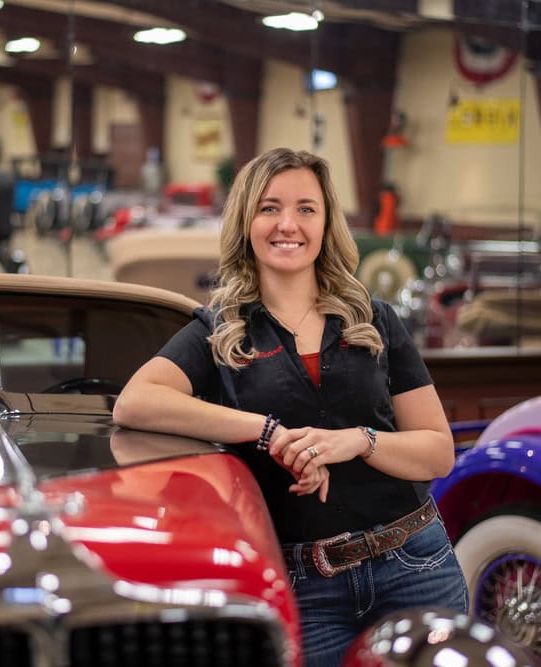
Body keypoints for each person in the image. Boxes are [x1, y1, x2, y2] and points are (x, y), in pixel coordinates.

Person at [113, 147, 468, 666]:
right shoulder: (219, 331)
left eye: (306, 208)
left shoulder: (375, 319)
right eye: (270, 207)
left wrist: (358, 441)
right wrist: (267, 431)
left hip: (415, 565)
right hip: (305, 585)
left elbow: (438, 453)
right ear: (246, 221)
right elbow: (135, 402)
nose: (288, 224)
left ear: (326, 224)